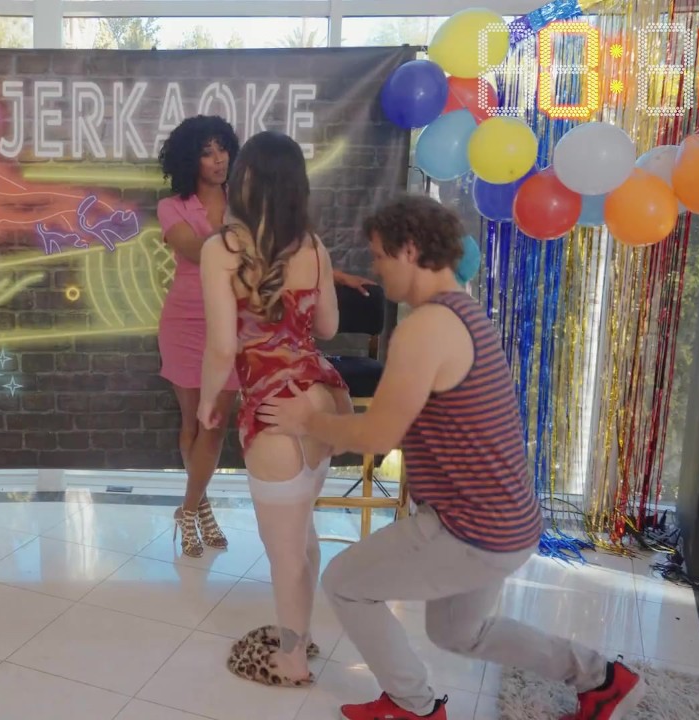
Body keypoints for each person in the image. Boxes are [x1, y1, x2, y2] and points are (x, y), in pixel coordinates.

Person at [257, 194, 644, 720]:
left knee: (345, 586)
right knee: (459, 632)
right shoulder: (463, 312)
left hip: (471, 529)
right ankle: (602, 678)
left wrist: (308, 420)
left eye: (379, 255)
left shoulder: (426, 328)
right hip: (507, 522)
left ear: (409, 250)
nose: (375, 269)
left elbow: (377, 434)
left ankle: (414, 707)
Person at [197, 131, 352, 686]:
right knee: (302, 535)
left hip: (270, 410)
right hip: (322, 402)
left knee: (283, 551)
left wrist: (207, 403)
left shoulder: (221, 250)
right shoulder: (314, 247)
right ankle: (300, 637)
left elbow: (222, 347)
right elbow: (328, 327)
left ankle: (291, 659)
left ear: (243, 182)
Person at [156, 115, 243, 557]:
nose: (218, 159)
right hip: (185, 322)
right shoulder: (171, 207)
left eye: (222, 148)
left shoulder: (244, 201)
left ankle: (188, 510)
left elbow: (278, 252)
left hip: (232, 323)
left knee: (217, 422)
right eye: (207, 152)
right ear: (190, 160)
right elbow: (197, 251)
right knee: (193, 421)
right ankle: (202, 509)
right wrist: (244, 242)